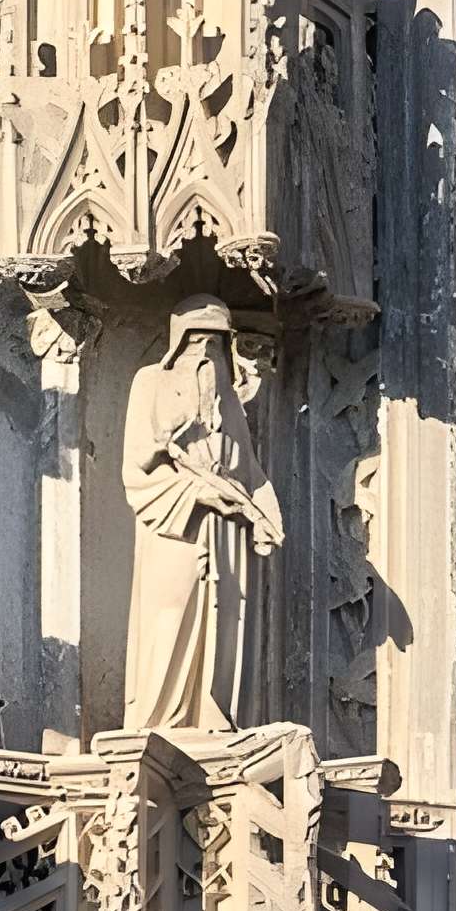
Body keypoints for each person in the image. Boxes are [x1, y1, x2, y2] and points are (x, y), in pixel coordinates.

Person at [120, 297, 282, 735]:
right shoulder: (150, 381)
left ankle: (213, 714)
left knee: (225, 617)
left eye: (216, 342)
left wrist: (264, 511)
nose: (206, 353)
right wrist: (199, 493)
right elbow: (137, 463)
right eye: (196, 341)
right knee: (171, 612)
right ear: (178, 343)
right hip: (176, 521)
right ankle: (159, 720)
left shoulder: (228, 399)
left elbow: (247, 466)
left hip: (226, 526)